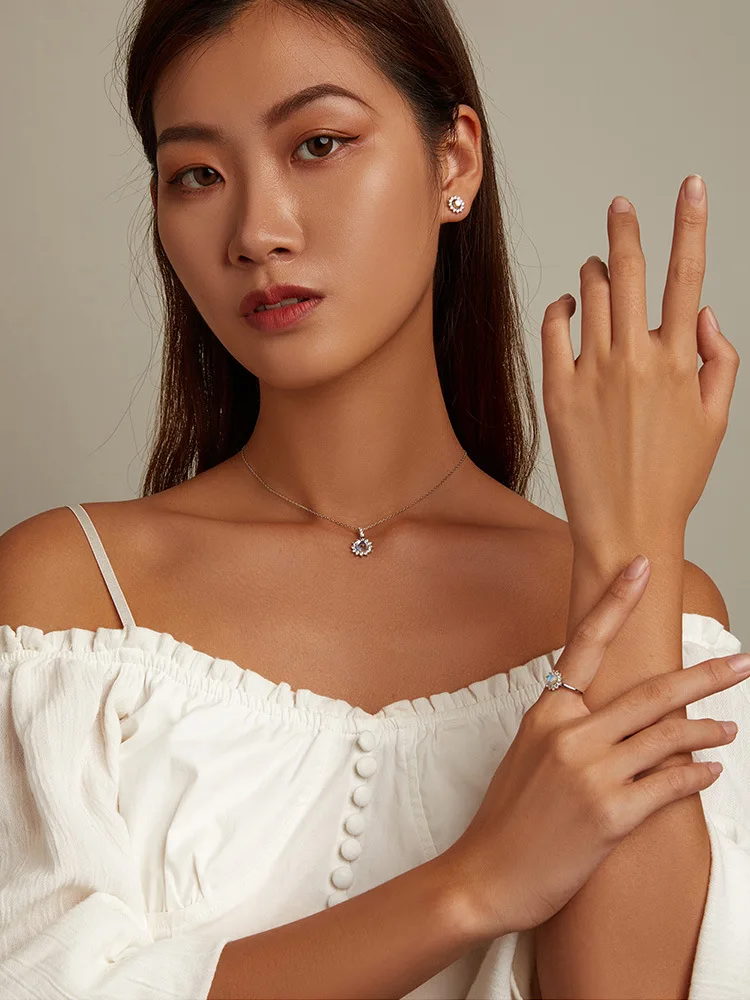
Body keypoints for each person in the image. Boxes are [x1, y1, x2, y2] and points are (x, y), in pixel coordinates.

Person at [0, 0, 747, 997]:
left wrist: (633, 541)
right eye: (198, 175)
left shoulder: (670, 619)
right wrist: (474, 886)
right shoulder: (67, 605)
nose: (257, 231)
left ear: (454, 162)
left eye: (318, 144)